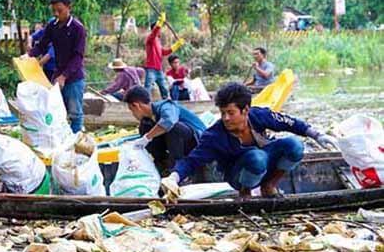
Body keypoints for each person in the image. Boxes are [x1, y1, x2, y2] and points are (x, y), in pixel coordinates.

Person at [163, 83, 338, 199]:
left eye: (231, 113)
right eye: (223, 112)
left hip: (265, 164)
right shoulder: (215, 135)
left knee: (295, 145)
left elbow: (289, 122)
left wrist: (317, 135)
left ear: (246, 110)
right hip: (238, 174)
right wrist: (173, 177)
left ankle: (269, 185)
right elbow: (192, 160)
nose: (225, 118)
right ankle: (245, 193)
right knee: (256, 157)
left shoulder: (258, 116)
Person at [27, 0, 86, 133]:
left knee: (75, 114)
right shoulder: (52, 26)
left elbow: (78, 57)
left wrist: (64, 76)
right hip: (56, 75)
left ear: (69, 7)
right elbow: (41, 45)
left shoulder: (78, 29)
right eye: (53, 11)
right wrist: (28, 56)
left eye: (59, 10)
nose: (56, 14)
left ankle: (76, 144)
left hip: (73, 78)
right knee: (56, 112)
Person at [125, 86, 206, 175]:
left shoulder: (166, 105)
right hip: (177, 143)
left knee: (175, 128)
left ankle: (178, 169)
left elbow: (169, 121)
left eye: (132, 110)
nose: (133, 114)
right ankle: (162, 166)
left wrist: (147, 137)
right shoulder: (149, 119)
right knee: (145, 126)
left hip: (197, 141)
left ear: (136, 105)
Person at [144, 12, 185, 99]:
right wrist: (160, 22)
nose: (160, 31)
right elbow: (154, 33)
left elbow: (165, 52)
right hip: (151, 68)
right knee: (148, 88)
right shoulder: (150, 39)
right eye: (159, 29)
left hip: (158, 69)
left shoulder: (158, 42)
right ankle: (145, 103)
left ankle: (166, 102)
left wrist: (176, 45)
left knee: (164, 89)